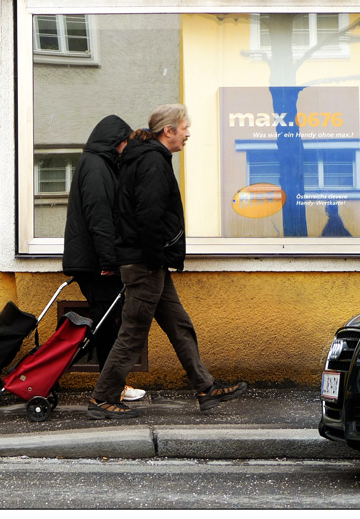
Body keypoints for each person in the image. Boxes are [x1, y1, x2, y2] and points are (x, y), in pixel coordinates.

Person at [87, 104, 248, 419]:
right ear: (168, 130)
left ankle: (205, 386)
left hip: (149, 261)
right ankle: (102, 398)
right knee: (133, 331)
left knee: (179, 324)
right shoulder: (152, 162)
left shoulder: (145, 158)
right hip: (146, 263)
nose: (188, 133)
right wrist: (154, 259)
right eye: (185, 127)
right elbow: (149, 216)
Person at [62, 115, 146, 403]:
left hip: (93, 260)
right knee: (107, 323)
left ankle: (113, 385)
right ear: (116, 142)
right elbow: (100, 219)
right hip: (96, 263)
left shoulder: (99, 164)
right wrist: (109, 262)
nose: (126, 150)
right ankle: (112, 387)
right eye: (125, 144)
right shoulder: (97, 167)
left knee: (108, 321)